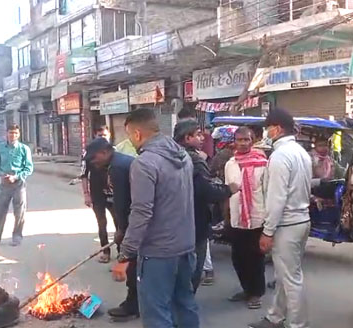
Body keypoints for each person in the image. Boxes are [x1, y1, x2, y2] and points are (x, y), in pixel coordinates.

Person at [111, 108, 199, 328]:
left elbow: (141, 212)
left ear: (138, 134)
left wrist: (125, 255)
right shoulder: (184, 156)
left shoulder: (144, 163)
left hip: (158, 253)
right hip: (186, 247)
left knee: (156, 313)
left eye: (129, 135)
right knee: (185, 304)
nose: (130, 141)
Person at [249, 108, 312, 328]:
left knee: (291, 279)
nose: (267, 133)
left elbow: (277, 198)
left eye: (268, 128)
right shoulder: (301, 152)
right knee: (285, 275)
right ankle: (275, 316)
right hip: (301, 220)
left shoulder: (280, 156)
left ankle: (297, 324)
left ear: (276, 128)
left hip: (287, 223)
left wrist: (267, 231)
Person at [173, 119, 232, 293]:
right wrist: (228, 190)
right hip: (195, 219)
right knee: (193, 268)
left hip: (174, 220)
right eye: (198, 134)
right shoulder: (192, 160)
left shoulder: (169, 155)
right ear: (187, 137)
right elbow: (206, 191)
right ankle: (185, 306)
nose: (202, 138)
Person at [84, 138, 139, 321]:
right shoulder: (116, 163)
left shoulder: (118, 167)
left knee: (132, 263)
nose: (93, 162)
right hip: (137, 220)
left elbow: (123, 202)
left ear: (106, 152)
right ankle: (136, 302)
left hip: (137, 221)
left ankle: (133, 305)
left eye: (94, 157)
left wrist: (122, 229)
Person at [225, 127, 268, 309]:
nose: (242, 143)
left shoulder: (263, 164)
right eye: (239, 140)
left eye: (246, 140)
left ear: (253, 141)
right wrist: (226, 217)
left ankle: (256, 293)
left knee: (255, 258)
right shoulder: (230, 164)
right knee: (238, 258)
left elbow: (268, 191)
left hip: (257, 217)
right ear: (234, 141)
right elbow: (228, 192)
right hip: (237, 218)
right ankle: (246, 289)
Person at [0, 124, 34, 247]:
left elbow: (28, 168)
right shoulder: (0, 148)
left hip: (19, 184)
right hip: (4, 184)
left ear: (19, 135)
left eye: (15, 133)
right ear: (6, 134)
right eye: (11, 133)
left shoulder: (24, 149)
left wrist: (16, 176)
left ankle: (17, 237)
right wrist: (2, 174)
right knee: (0, 212)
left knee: (19, 212)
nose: (13, 135)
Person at [81, 126, 117, 263]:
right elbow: (83, 175)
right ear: (95, 136)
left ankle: (122, 252)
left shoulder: (114, 153)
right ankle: (105, 251)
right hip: (97, 193)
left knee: (118, 222)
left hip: (113, 194)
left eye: (105, 135)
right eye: (100, 135)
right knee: (102, 223)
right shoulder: (88, 155)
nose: (103, 137)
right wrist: (86, 194)